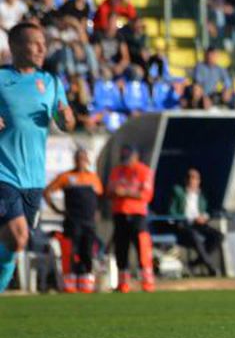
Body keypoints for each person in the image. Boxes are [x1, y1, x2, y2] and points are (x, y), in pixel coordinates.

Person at [0, 23, 75, 293]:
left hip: (33, 180)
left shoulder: (52, 82)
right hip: (3, 174)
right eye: (35, 43)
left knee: (12, 245)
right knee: (18, 236)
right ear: (15, 46)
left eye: (44, 42)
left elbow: (65, 119)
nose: (43, 48)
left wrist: (66, 118)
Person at [43, 148, 103, 293]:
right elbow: (47, 192)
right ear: (74, 160)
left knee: (87, 251)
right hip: (73, 220)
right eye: (78, 158)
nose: (81, 161)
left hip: (88, 221)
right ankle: (70, 283)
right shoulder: (66, 176)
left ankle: (86, 282)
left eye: (83, 158)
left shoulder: (93, 178)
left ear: (87, 160)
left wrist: (97, 213)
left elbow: (100, 197)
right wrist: (57, 210)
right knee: (71, 250)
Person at [107, 144, 155, 293]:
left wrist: (125, 192)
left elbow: (146, 195)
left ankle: (147, 281)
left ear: (136, 156)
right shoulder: (117, 170)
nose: (126, 159)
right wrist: (118, 192)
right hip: (120, 213)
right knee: (121, 248)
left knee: (142, 246)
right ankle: (123, 283)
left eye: (129, 156)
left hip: (137, 214)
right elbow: (109, 191)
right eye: (124, 156)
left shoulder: (144, 171)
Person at [169, 167, 224, 276]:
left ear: (199, 181)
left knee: (218, 236)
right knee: (194, 236)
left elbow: (208, 210)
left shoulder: (202, 195)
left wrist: (204, 216)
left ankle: (194, 264)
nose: (192, 180)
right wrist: (192, 218)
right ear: (185, 180)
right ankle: (210, 266)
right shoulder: (178, 191)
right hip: (184, 224)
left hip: (199, 224)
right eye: (190, 177)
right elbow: (172, 212)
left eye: (195, 178)